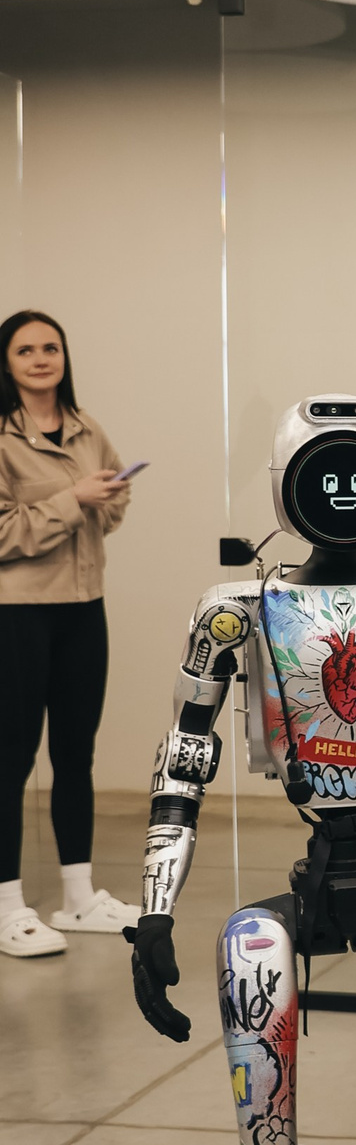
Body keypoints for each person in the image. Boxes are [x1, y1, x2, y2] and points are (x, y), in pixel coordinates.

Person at [0, 309, 138, 959]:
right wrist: (72, 500)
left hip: (85, 607)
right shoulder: (3, 436)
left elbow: (113, 498)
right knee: (12, 758)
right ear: (6, 363)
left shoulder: (86, 428)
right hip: (19, 613)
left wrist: (104, 498)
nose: (40, 359)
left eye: (50, 347)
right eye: (25, 349)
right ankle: (8, 906)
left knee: (76, 754)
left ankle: (79, 898)